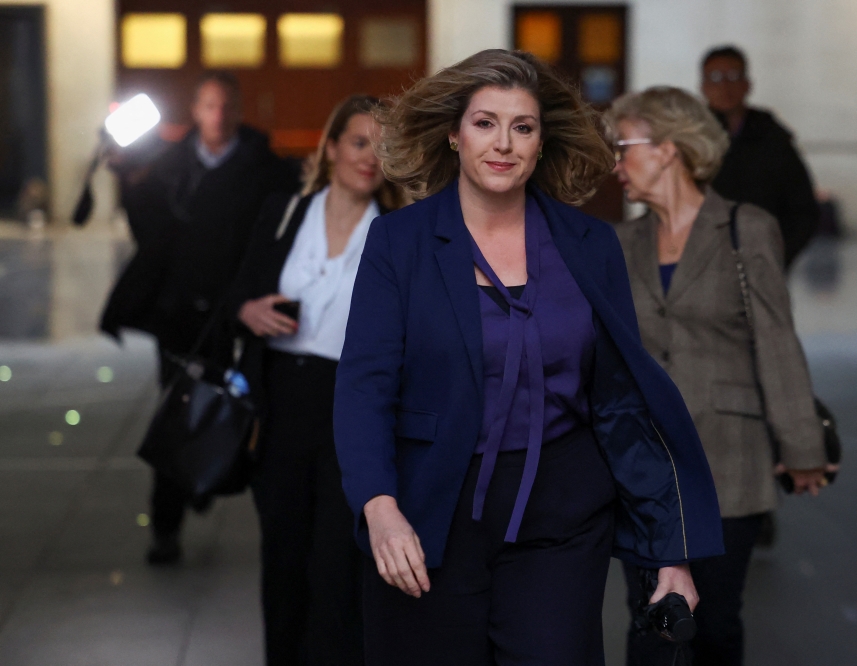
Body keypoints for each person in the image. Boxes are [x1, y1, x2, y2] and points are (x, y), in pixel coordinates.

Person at [333, 49, 724, 666]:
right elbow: (365, 387)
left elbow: (620, 402)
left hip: (562, 515)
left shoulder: (590, 243)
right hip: (430, 509)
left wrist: (667, 551)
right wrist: (379, 508)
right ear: (455, 136)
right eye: (485, 123)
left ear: (541, 144)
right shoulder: (399, 241)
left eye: (523, 127)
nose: (504, 144)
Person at [608, 86, 829, 666]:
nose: (616, 164)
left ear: (668, 149)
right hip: (647, 469)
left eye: (623, 147)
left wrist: (802, 445)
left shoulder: (745, 229)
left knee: (715, 623)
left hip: (729, 459)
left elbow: (776, 341)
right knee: (651, 621)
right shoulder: (618, 243)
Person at [227, 95, 401, 666]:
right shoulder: (285, 212)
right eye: (357, 142)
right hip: (280, 402)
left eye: (381, 146)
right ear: (330, 149)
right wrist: (248, 311)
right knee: (283, 553)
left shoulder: (397, 234)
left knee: (338, 558)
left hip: (351, 406)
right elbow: (238, 290)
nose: (368, 157)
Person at [100, 71, 299, 565]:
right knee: (179, 414)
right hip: (181, 318)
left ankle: (214, 479)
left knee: (241, 412)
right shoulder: (171, 166)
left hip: (240, 313)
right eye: (209, 106)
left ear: (237, 109)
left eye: (226, 106)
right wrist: (126, 174)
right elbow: (149, 230)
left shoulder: (262, 168)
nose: (217, 116)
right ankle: (167, 525)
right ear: (196, 110)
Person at [701, 45, 820, 269]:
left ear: (747, 84)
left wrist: (778, 256)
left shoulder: (773, 138)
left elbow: (804, 209)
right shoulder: (689, 139)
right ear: (704, 86)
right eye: (716, 78)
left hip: (762, 266)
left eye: (733, 77)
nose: (725, 86)